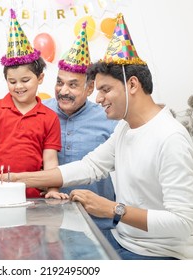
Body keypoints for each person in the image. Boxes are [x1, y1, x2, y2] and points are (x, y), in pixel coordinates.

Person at [0, 14, 193, 260]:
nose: (99, 98)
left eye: (105, 90)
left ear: (133, 85)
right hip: (123, 242)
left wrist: (112, 209)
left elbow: (184, 222)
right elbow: (90, 166)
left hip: (161, 255)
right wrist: (16, 179)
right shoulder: (125, 128)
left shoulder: (171, 138)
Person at [0, 9, 67, 199]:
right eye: (12, 81)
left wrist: (52, 189)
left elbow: (50, 159)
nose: (18, 86)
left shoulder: (49, 118)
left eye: (25, 80)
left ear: (40, 78)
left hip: (34, 199)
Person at [42, 21, 118, 210]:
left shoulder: (109, 117)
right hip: (48, 216)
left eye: (73, 85)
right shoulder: (40, 112)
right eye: (60, 83)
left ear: (90, 88)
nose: (63, 91)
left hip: (97, 219)